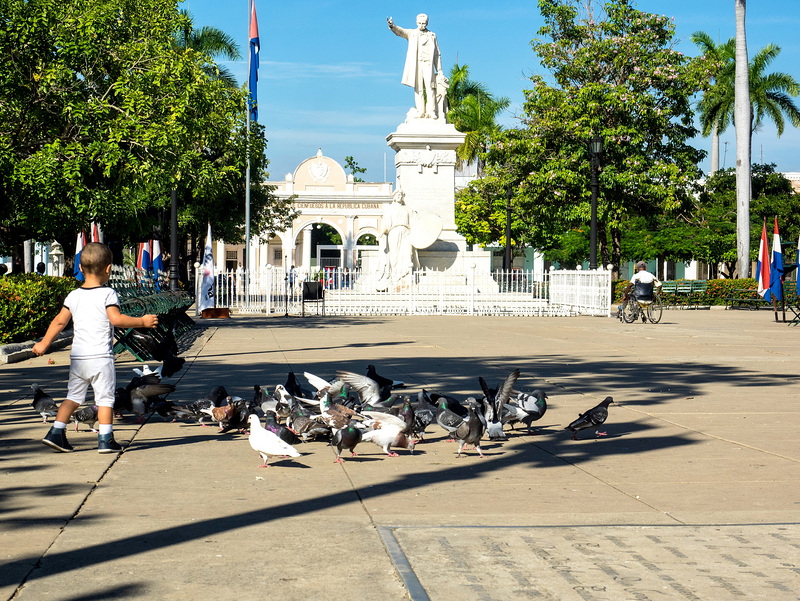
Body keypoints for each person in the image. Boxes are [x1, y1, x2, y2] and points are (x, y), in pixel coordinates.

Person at [33, 242, 158, 453]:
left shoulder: (73, 296)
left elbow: (59, 322)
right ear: (108, 269)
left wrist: (44, 343)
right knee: (105, 400)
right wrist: (142, 322)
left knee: (72, 397)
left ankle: (56, 432)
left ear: (80, 269)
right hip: (101, 358)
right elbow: (116, 319)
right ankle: (105, 439)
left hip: (79, 359)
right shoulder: (108, 294)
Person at [387, 14, 443, 119]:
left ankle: (432, 111)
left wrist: (439, 69)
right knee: (419, 89)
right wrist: (392, 26)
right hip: (417, 64)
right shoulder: (412, 33)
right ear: (417, 23)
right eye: (420, 23)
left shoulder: (432, 35)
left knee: (431, 87)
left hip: (428, 64)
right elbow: (400, 31)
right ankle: (421, 111)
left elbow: (437, 53)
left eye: (424, 23)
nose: (422, 25)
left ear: (427, 23)